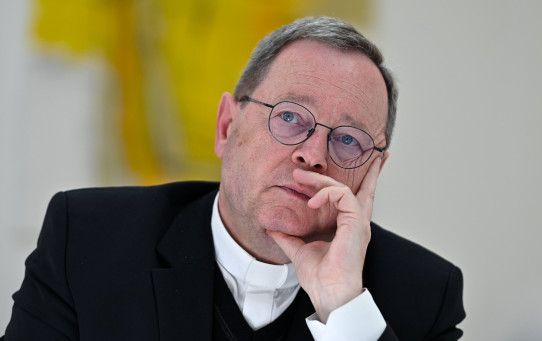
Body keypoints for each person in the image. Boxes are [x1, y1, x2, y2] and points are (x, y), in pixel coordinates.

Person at [2, 17, 465, 340]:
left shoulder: (424, 295)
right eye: (290, 116)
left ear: (371, 172)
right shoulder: (89, 238)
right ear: (227, 127)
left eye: (347, 140)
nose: (313, 155)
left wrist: (342, 306)